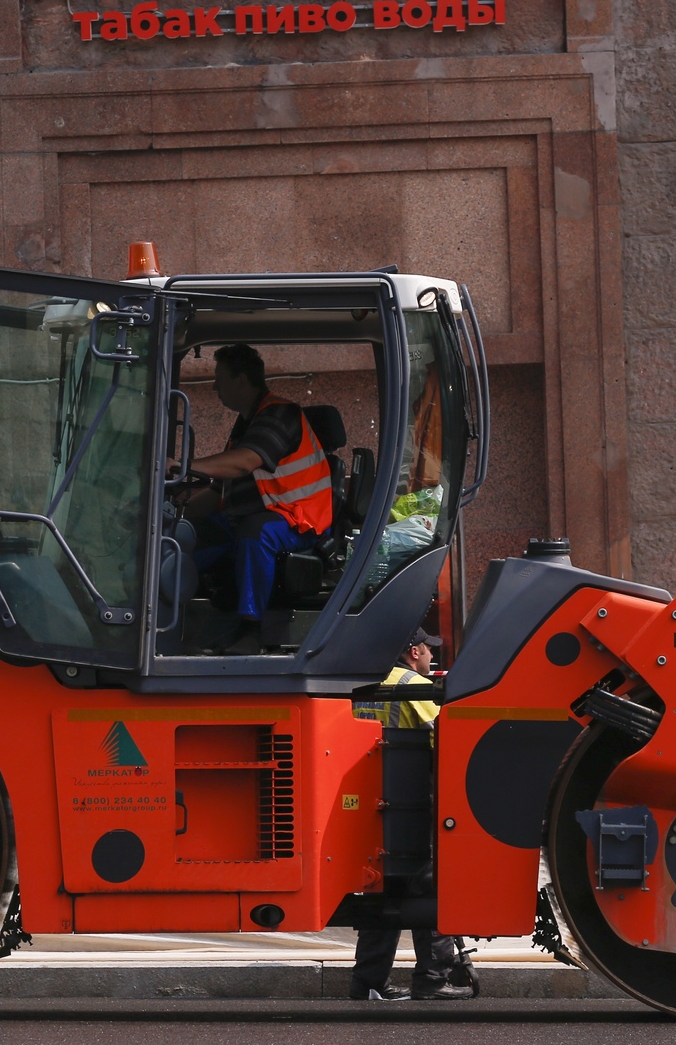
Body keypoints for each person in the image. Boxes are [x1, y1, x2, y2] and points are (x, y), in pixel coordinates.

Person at [348, 628, 478, 1001]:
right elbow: (448, 738)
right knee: (429, 888)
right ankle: (432, 979)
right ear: (413, 650)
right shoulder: (410, 684)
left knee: (382, 895)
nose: (430, 658)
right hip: (412, 807)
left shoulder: (358, 685)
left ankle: (369, 982)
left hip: (368, 809)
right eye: (428, 651)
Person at [184, 344, 333, 654]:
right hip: (256, 515)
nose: (213, 386)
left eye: (219, 378)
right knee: (186, 539)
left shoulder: (281, 413)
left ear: (241, 379)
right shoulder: (246, 424)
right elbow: (218, 492)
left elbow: (245, 462)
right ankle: (181, 622)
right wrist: (177, 514)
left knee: (256, 533)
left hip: (299, 521)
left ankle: (252, 631)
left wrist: (185, 465)